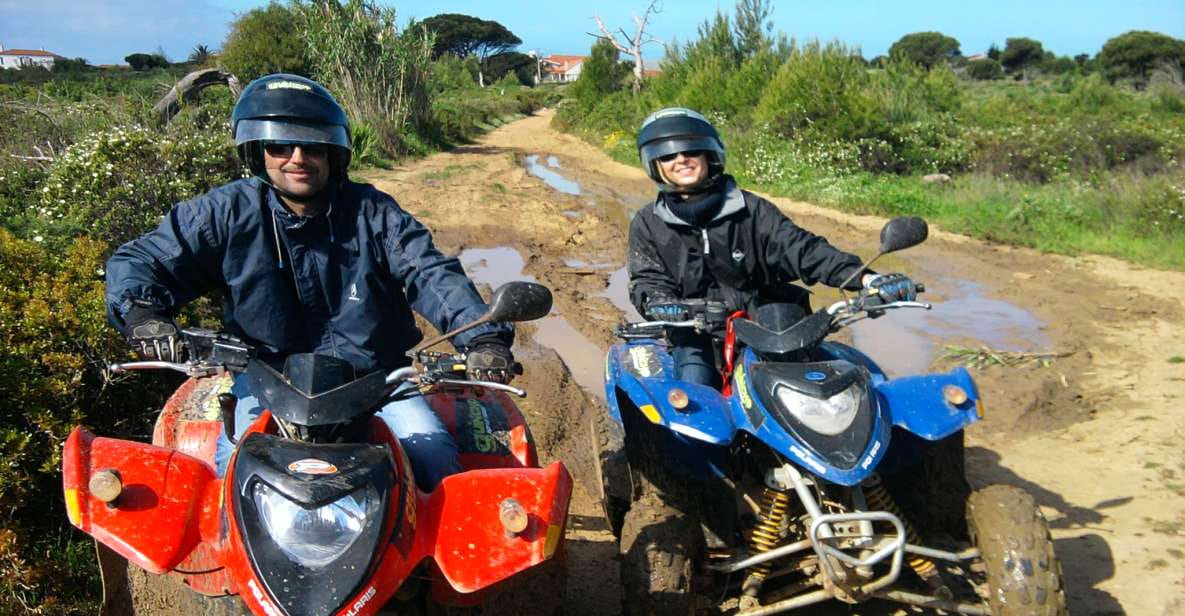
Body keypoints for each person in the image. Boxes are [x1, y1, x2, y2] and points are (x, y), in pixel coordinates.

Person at [105, 74, 515, 490]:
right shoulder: (224, 212)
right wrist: (143, 314)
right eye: (280, 146)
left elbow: (431, 273)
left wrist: (484, 339)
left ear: (335, 154)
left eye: (313, 147)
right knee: (230, 475)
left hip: (375, 379)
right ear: (256, 152)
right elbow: (142, 260)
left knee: (433, 462)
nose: (297, 158)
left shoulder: (374, 214)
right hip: (268, 378)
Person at [628, 107, 917, 387]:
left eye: (691, 150)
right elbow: (648, 279)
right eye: (668, 155)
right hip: (694, 332)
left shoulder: (753, 210)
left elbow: (803, 249)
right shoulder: (647, 222)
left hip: (770, 327)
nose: (681, 160)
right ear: (655, 164)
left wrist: (869, 279)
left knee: (842, 386)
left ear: (709, 155)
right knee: (692, 398)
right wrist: (661, 303)